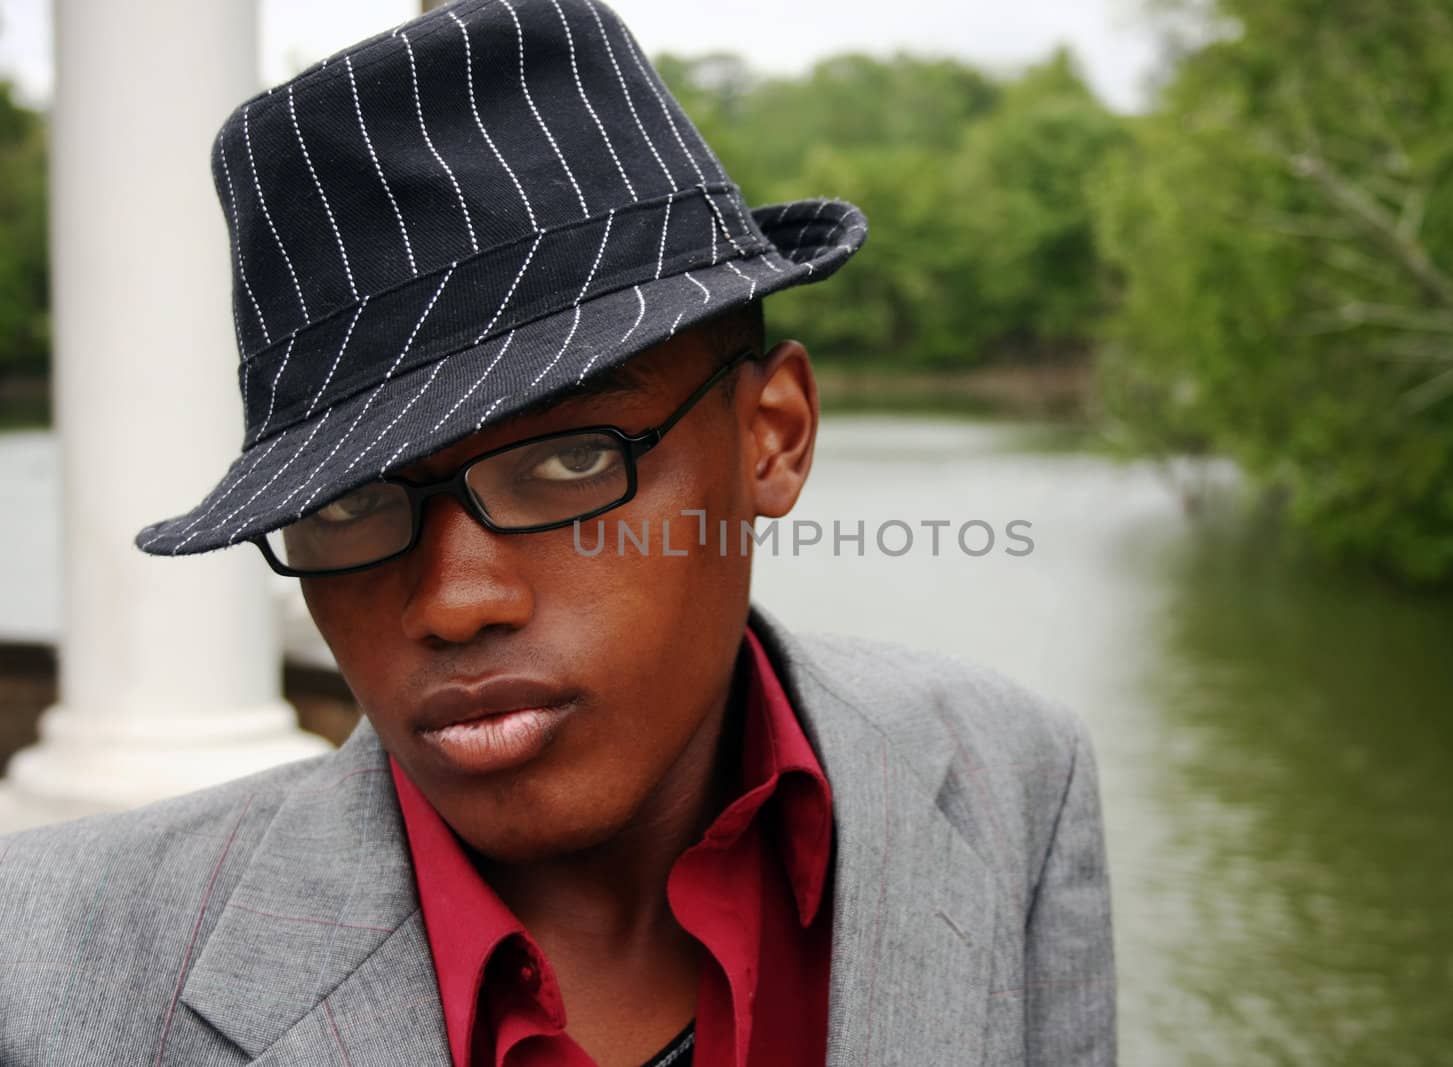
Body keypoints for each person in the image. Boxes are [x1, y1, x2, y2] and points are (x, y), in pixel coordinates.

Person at [0, 1, 1115, 1064]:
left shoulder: (1007, 774)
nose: (453, 599)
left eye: (571, 458)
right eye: (345, 501)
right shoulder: (37, 963)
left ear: (772, 437)